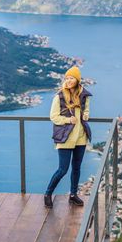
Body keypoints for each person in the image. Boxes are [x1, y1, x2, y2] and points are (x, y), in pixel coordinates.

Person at [44, 66, 92, 208]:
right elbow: (53, 117)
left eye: (71, 78)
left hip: (81, 137)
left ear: (77, 79)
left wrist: (86, 114)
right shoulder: (59, 96)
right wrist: (67, 120)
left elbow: (87, 109)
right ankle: (48, 193)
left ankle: (73, 195)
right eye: (67, 78)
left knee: (76, 168)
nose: (69, 80)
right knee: (62, 169)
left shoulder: (84, 95)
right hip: (65, 137)